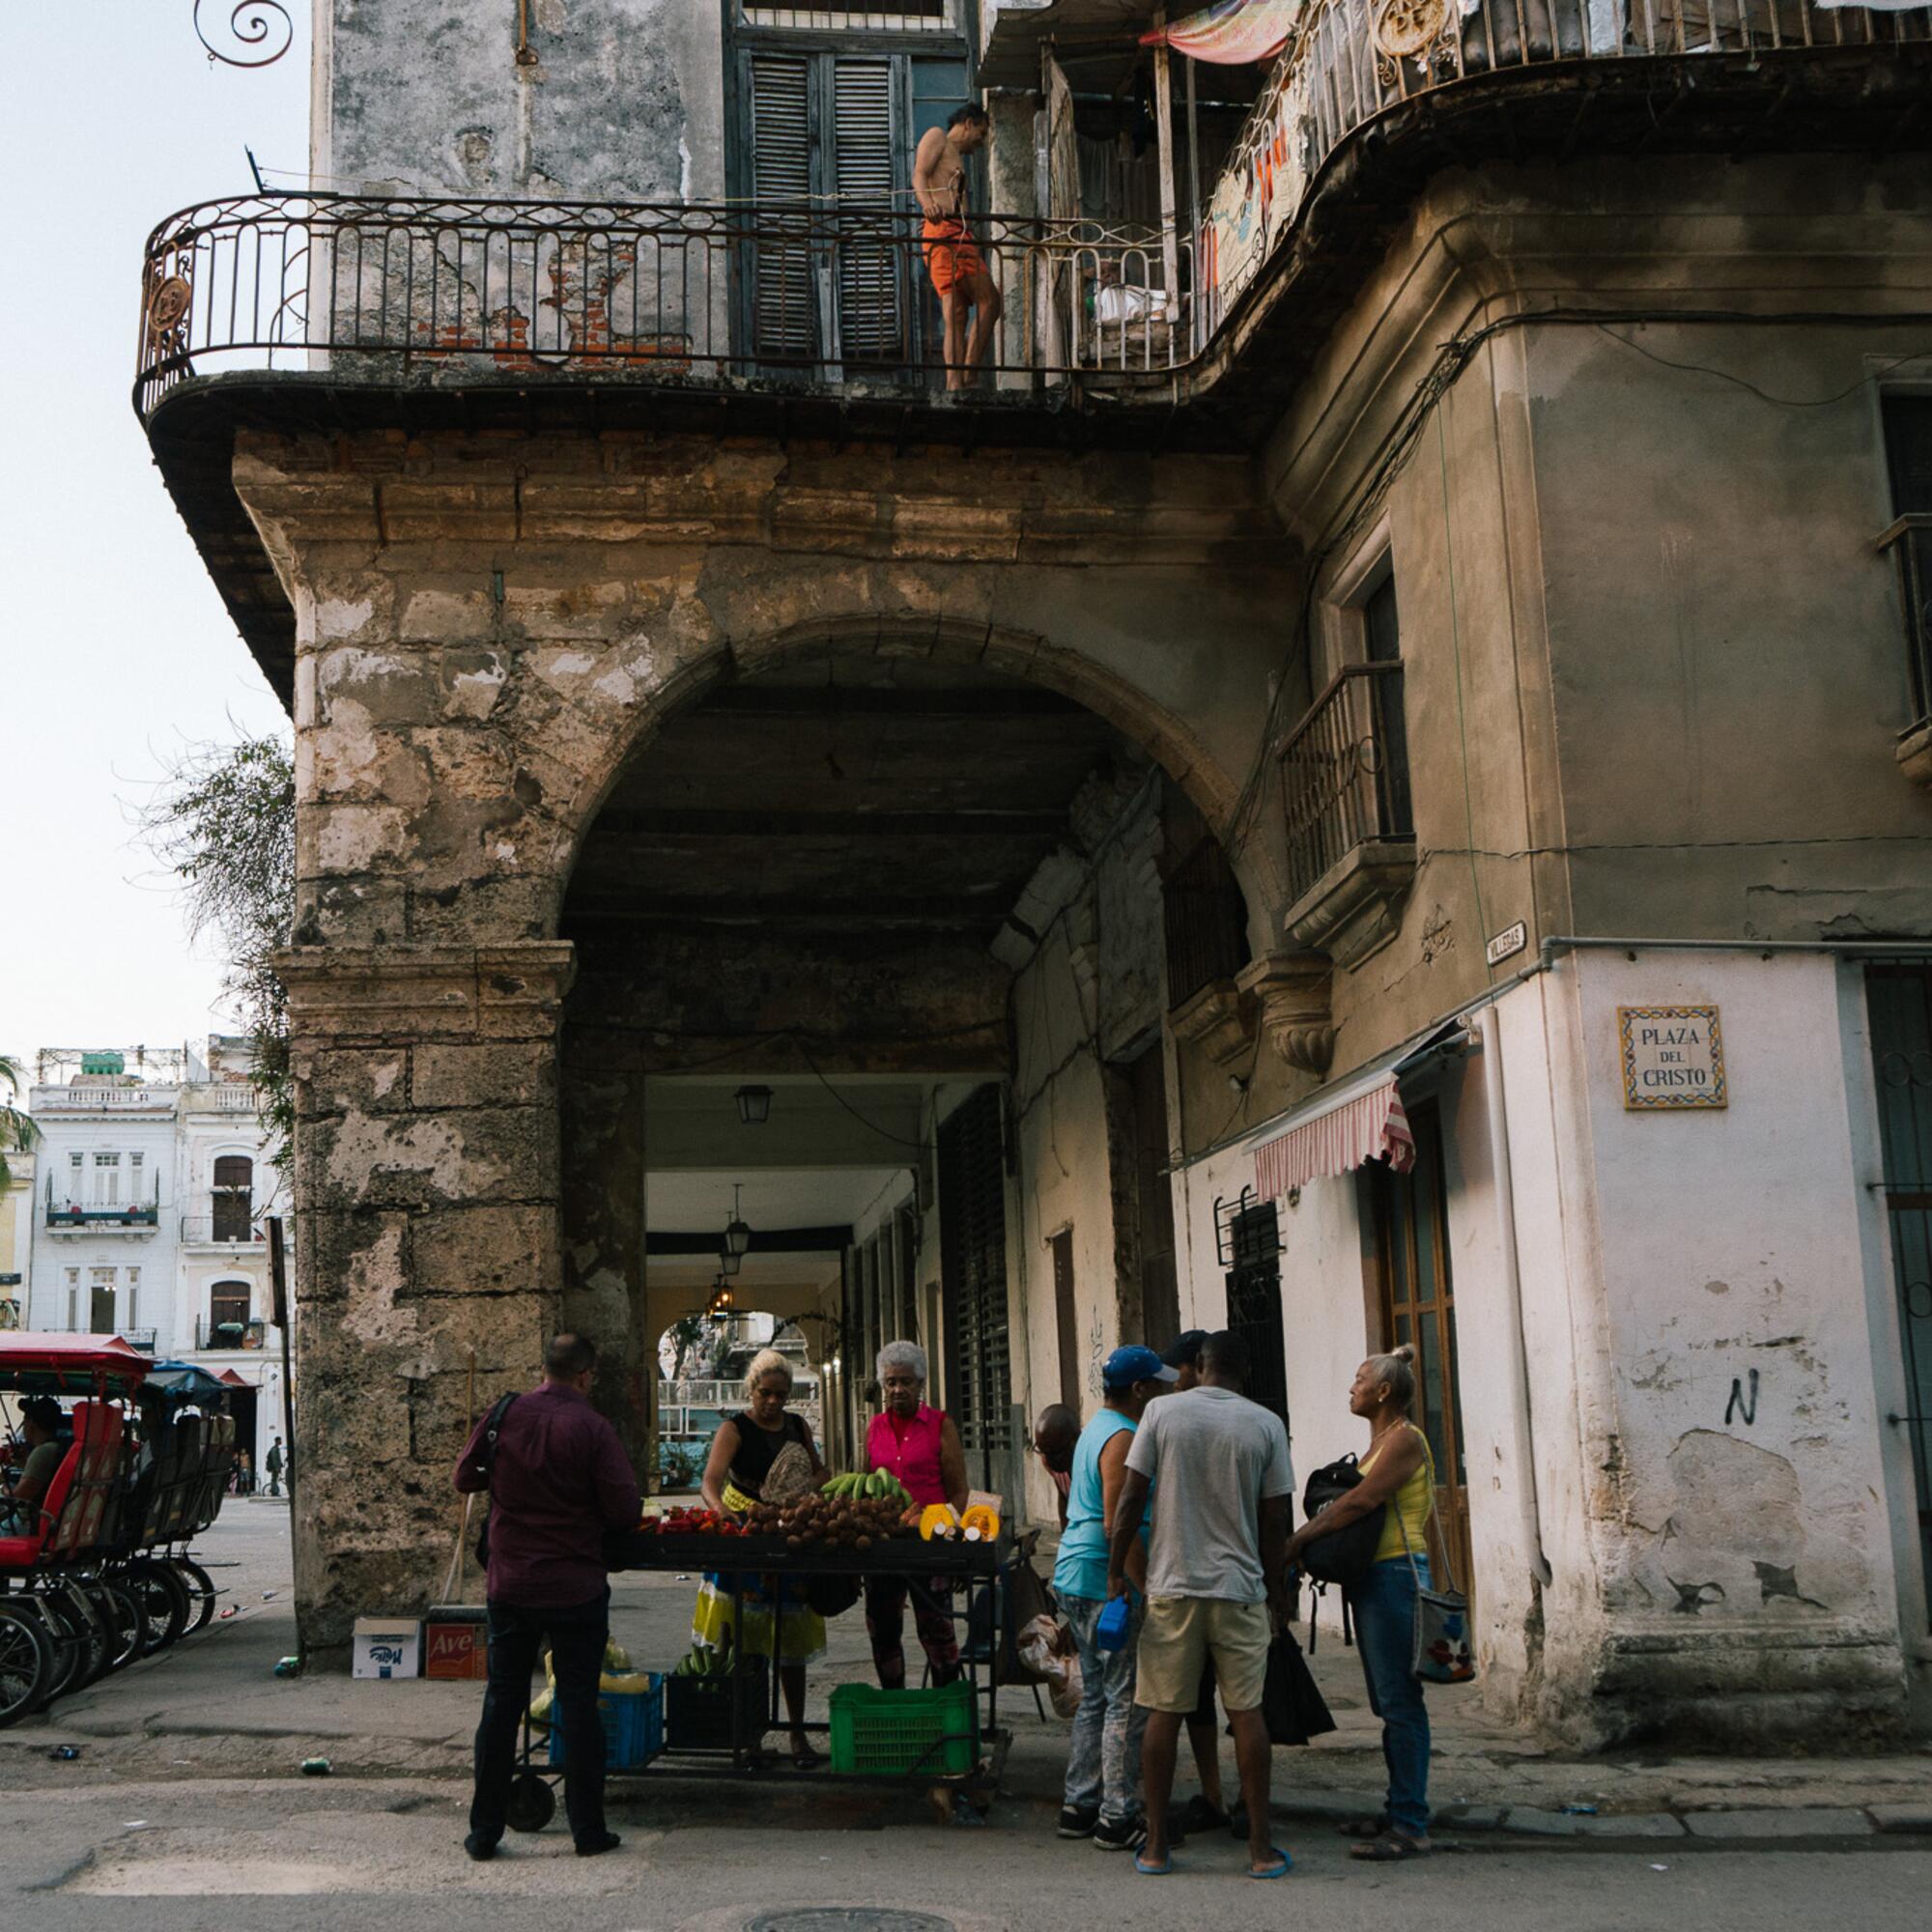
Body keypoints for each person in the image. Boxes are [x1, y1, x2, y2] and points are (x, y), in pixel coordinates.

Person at [1107, 1329, 1293, 1880]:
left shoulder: (1162, 1415)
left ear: (1199, 1365)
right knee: (1247, 1715)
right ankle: (1260, 1849)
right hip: (1238, 1590)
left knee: (1164, 1711)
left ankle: (1158, 1847)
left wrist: (1117, 1570)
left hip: (1172, 1587)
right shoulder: (1265, 1424)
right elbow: (1276, 1521)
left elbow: (1130, 1499)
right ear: (1246, 1374)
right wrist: (1277, 1597)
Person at [455, 1331, 640, 1862]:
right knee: (579, 1704)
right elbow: (624, 1511)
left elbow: (465, 1478)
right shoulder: (593, 1428)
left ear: (545, 1370)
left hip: (511, 1583)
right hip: (575, 1586)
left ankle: (484, 1831)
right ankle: (588, 1831)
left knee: (502, 1702)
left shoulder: (504, 1413)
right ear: (585, 1375)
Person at [1284, 1345, 1435, 1862]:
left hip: (1397, 1575)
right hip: (1376, 1577)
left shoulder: (1405, 1441)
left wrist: (1299, 1539)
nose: (1352, 1387)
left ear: (1384, 1392)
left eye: (1360, 1379)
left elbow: (1359, 1502)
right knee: (1387, 1701)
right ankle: (1400, 1810)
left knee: (1400, 1703)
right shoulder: (1379, 1443)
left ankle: (1411, 1822)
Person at [1052, 1346, 1178, 1851]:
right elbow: (1116, 1520)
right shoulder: (1123, 1436)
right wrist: (1138, 1584)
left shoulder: (1094, 1429)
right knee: (1125, 1699)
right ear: (1140, 1390)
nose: (1165, 1393)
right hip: (1104, 1577)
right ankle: (1116, 1815)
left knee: (1096, 1697)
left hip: (1074, 1572)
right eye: (1158, 1386)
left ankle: (1078, 1804)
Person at [695, 1349, 832, 1765]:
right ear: (750, 1390)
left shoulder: (797, 1426)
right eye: (765, 1393)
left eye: (780, 1394)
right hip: (745, 1537)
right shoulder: (733, 1430)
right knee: (745, 1644)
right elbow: (710, 1483)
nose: (772, 1401)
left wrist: (806, 1487)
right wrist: (726, 1516)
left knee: (790, 1643)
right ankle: (748, 1737)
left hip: (788, 1535)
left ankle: (796, 1736)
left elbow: (819, 1470)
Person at [1159, 1330, 1238, 1841]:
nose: (1172, 1384)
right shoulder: (1179, 1419)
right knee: (1211, 1701)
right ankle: (1217, 1797)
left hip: (1195, 1580)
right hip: (1229, 1579)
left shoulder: (1171, 1420)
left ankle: (1156, 1834)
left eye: (1177, 1373)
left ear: (1197, 1366)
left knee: (1183, 1703)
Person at [863, 1340, 968, 1690]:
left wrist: (954, 1545)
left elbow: (958, 1490)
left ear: (921, 1384)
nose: (898, 1389)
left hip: (930, 1543)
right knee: (883, 1630)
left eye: (906, 1382)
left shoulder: (940, 1425)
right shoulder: (874, 1428)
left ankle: (945, 1711)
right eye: (891, 1382)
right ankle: (896, 1707)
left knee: (938, 1632)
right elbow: (865, 1483)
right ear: (883, 1385)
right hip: (885, 1546)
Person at [912, 104, 1003, 391]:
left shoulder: (957, 158)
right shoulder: (937, 136)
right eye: (981, 132)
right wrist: (928, 207)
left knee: (957, 312)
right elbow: (919, 174)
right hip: (948, 233)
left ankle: (955, 384)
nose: (981, 140)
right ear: (968, 123)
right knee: (990, 300)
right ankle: (969, 374)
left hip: (951, 233)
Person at [0, 1397, 69, 1532]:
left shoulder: (44, 1452)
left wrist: (4, 1487)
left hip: (29, 1522)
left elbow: (19, 1496)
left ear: (31, 1423)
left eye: (24, 1420)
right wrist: (23, 1463)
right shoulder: (54, 1448)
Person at [1031, 1404, 1079, 1527]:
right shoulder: (1050, 1461)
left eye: (1054, 1452)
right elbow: (1063, 1496)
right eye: (1044, 1452)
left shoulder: (1092, 1466)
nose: (1048, 1459)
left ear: (1074, 1441)